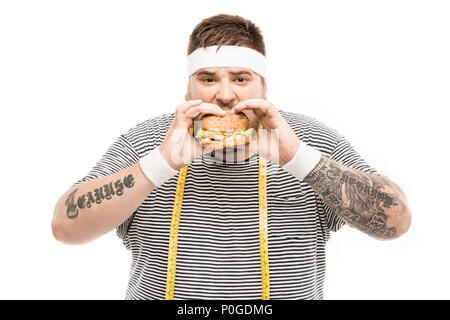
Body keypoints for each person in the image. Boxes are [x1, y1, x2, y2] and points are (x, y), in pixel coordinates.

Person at [51, 14, 412, 300]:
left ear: (263, 86)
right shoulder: (146, 141)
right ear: (188, 86)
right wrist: (159, 164)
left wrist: (298, 158)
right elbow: (65, 228)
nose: (225, 95)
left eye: (241, 78)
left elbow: (397, 222)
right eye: (208, 78)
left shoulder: (307, 138)